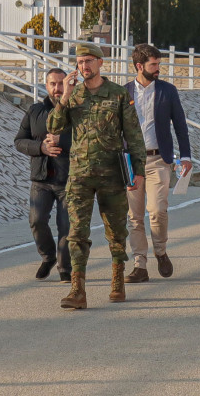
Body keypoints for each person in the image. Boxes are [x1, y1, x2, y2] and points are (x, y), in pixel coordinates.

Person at [47, 43, 146, 310]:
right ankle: (77, 289)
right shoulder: (74, 95)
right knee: (76, 233)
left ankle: (117, 279)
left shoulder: (117, 94)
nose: (84, 66)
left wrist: (137, 172)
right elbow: (54, 127)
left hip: (112, 175)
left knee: (116, 231)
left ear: (101, 63)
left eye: (89, 61)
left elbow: (133, 136)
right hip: (79, 175)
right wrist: (64, 97)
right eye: (79, 62)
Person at [123, 43, 193, 283]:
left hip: (158, 160)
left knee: (157, 210)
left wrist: (185, 156)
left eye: (159, 64)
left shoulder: (167, 91)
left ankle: (160, 251)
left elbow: (180, 125)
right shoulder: (124, 93)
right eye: (154, 65)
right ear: (139, 66)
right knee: (134, 216)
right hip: (131, 162)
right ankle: (139, 265)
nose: (158, 69)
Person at [14, 67, 74, 281]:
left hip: (69, 180)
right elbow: (19, 141)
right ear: (46, 86)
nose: (57, 88)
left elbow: (87, 140)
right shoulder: (35, 111)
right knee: (37, 220)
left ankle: (65, 269)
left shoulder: (76, 110)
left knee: (66, 226)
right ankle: (48, 256)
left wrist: (62, 142)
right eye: (53, 84)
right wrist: (41, 147)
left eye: (61, 83)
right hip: (41, 179)